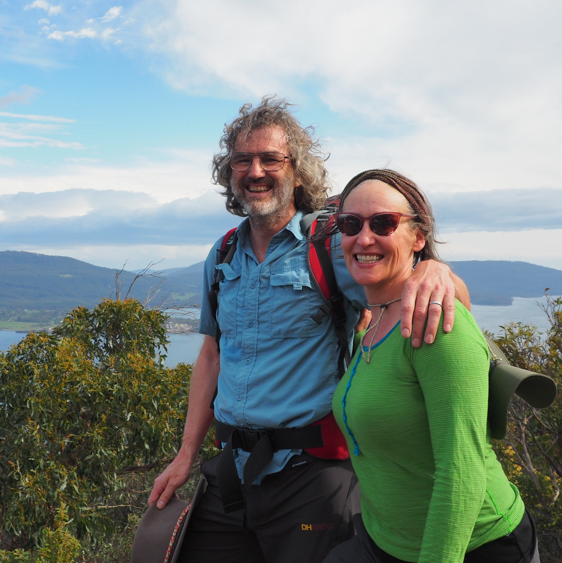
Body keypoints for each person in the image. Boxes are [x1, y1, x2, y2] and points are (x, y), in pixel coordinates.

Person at [147, 97, 469, 563]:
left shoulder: (331, 246)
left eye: (270, 159)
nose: (255, 171)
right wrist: (184, 455)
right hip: (232, 471)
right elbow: (212, 356)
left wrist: (436, 271)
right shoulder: (221, 257)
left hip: (311, 476)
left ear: (297, 171)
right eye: (243, 160)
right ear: (229, 172)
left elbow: (427, 291)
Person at [324, 169, 538, 563]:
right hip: (384, 541)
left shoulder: (436, 327)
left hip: (474, 545)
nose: (364, 237)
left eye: (384, 223)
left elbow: (462, 472)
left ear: (417, 237)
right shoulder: (371, 322)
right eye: (350, 223)